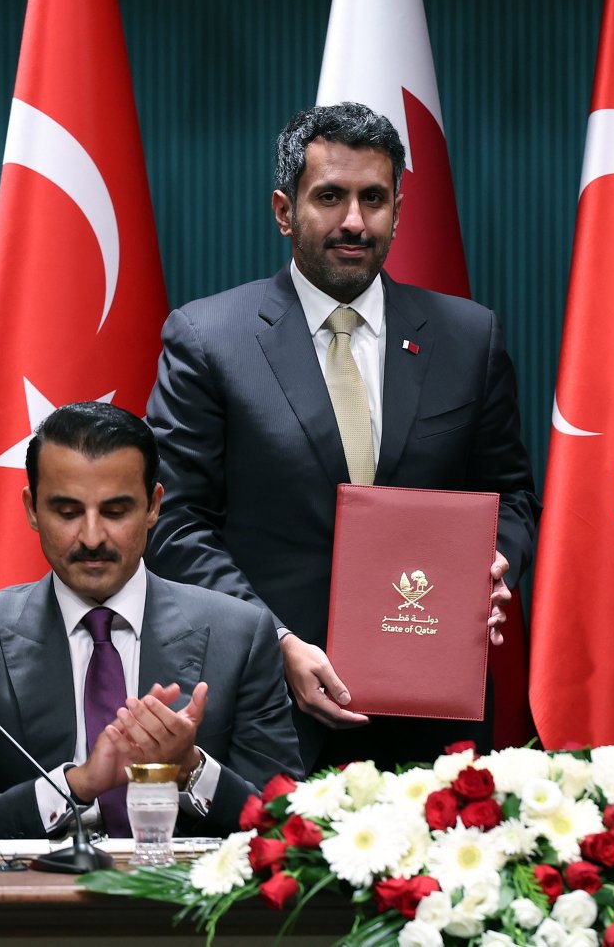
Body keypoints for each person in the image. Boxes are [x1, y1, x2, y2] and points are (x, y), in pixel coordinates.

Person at [145, 102, 539, 771]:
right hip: (268, 714)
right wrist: (276, 639)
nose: (355, 221)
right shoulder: (208, 341)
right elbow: (175, 523)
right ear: (284, 209)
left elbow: (512, 499)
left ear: (398, 210)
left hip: (430, 720)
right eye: (330, 197)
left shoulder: (470, 339)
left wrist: (495, 565)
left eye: (374, 198)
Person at [0, 402, 302, 840]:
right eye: (67, 512)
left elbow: (288, 830)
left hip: (185, 905)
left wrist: (190, 769)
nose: (91, 538)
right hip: (30, 904)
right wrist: (75, 786)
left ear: (153, 507)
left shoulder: (240, 636)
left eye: (115, 511)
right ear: (32, 509)